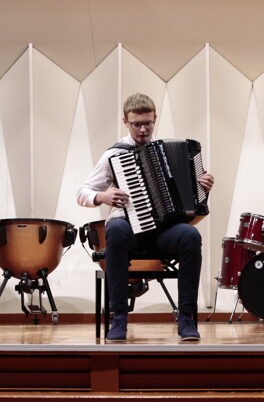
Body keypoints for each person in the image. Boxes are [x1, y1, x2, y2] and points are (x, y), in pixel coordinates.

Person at [77, 93, 214, 342]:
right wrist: (102, 196)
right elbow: (82, 192)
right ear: (125, 122)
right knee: (115, 230)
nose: (142, 129)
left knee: (190, 235)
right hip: (129, 232)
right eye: (136, 124)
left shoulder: (168, 151)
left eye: (147, 123)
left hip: (162, 232)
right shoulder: (114, 155)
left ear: (155, 119)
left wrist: (202, 187)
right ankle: (119, 319)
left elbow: (193, 203)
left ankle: (186, 319)